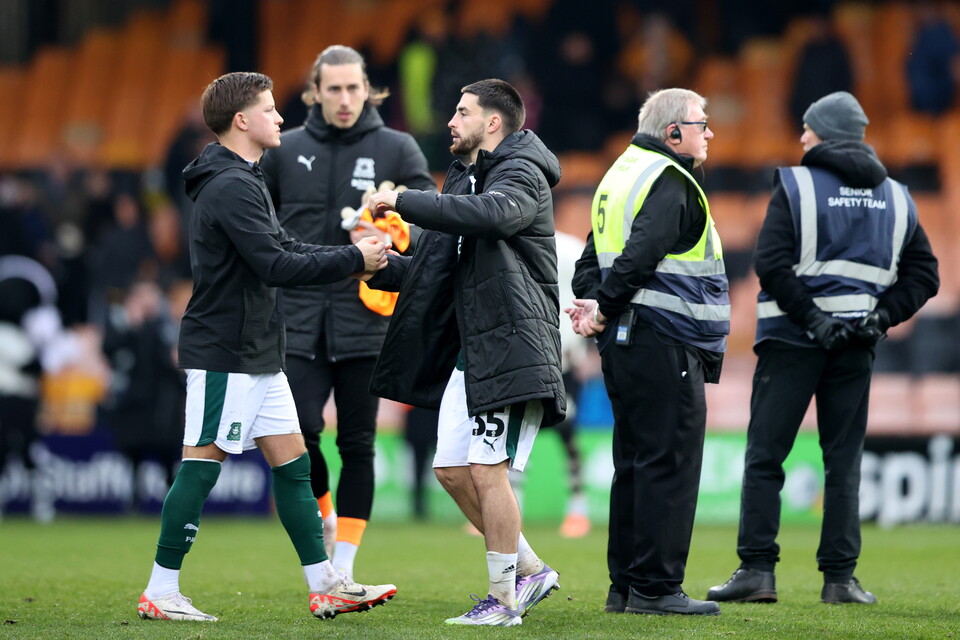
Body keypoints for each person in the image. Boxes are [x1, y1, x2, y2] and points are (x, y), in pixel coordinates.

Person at [136, 71, 396, 623]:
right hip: (225, 352)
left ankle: (325, 584)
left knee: (295, 466)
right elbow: (276, 264)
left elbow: (284, 246)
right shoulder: (231, 185)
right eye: (272, 109)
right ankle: (160, 590)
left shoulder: (244, 178)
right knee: (201, 467)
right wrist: (356, 261)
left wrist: (351, 249)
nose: (281, 117)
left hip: (258, 351)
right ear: (242, 120)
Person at [705, 92, 940, 605]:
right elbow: (926, 275)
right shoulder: (898, 195)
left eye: (808, 129)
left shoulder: (796, 184)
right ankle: (840, 580)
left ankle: (757, 573)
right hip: (856, 346)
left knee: (767, 456)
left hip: (792, 340)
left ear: (824, 132)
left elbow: (769, 261)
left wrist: (813, 318)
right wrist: (878, 319)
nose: (801, 137)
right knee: (844, 461)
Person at [366, 78, 565, 626]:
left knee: (485, 469)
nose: (450, 121)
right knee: (452, 470)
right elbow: (438, 274)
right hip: (473, 350)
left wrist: (405, 201)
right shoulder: (466, 177)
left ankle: (503, 600)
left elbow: (495, 216)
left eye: (461, 111)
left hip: (510, 345)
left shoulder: (522, 172)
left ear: (493, 122)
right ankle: (529, 569)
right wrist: (382, 268)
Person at [260, 45, 435, 578]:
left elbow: (431, 223)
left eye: (353, 88)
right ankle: (327, 519)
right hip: (297, 320)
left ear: (369, 90)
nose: (343, 99)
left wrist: (396, 227)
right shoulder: (283, 151)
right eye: (332, 89)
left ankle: (346, 565)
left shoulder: (398, 148)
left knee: (359, 443)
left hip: (367, 321)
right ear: (314, 91)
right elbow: (258, 230)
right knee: (301, 434)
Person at [569, 88, 728, 616]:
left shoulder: (619, 174)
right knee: (669, 461)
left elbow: (591, 256)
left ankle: (626, 587)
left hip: (625, 345)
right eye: (701, 124)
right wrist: (604, 306)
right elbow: (639, 255)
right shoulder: (670, 179)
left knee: (634, 463)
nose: (709, 133)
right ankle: (657, 588)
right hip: (666, 340)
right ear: (673, 132)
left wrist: (597, 306)